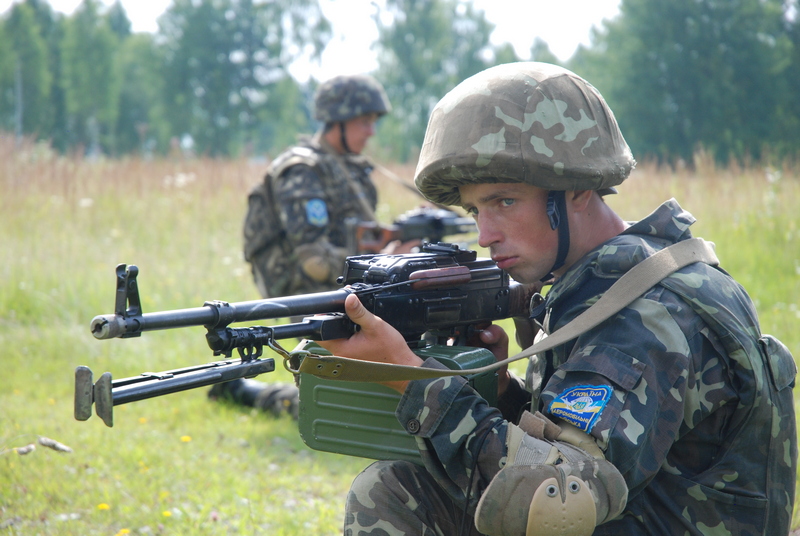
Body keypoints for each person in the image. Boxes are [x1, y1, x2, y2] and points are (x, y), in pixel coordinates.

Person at [317, 62, 797, 535]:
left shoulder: (646, 314)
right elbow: (578, 444)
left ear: (578, 190)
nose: (484, 235)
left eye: (505, 201)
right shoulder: (622, 277)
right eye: (475, 208)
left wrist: (413, 380)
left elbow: (558, 498)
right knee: (403, 486)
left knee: (390, 493)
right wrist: (503, 392)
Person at [210, 73, 417, 417]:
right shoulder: (302, 171)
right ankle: (244, 390)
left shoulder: (350, 170)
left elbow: (359, 237)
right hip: (303, 289)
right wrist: (385, 261)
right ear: (336, 122)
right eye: (364, 121)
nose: (371, 131)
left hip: (342, 285)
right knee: (342, 406)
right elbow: (315, 262)